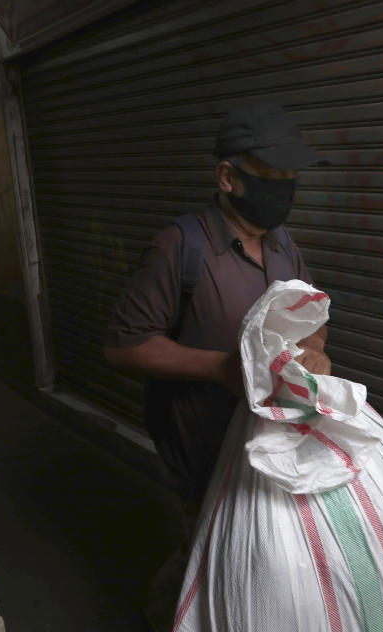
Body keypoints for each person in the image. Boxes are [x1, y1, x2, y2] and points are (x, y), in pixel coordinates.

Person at [102, 103, 332, 630]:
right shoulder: (179, 247)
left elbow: (311, 313)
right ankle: (167, 614)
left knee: (250, 551)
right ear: (228, 177)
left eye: (292, 179)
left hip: (265, 444)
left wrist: (315, 348)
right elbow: (123, 347)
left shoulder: (282, 244)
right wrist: (220, 369)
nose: (286, 190)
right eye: (274, 177)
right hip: (199, 440)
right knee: (204, 544)